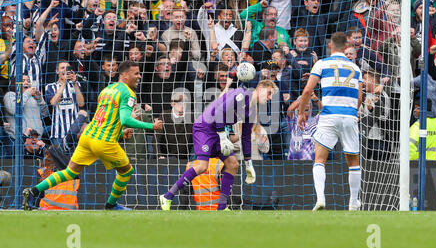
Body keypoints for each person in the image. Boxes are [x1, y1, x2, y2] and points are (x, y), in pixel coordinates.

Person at [23, 60, 164, 211]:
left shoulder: (107, 90)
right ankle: (111, 205)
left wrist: (121, 133)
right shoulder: (128, 93)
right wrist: (152, 126)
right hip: (103, 141)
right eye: (136, 73)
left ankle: (33, 191)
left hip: (88, 136)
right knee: (127, 171)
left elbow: (105, 119)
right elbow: (125, 119)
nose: (140, 76)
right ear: (124, 75)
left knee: (70, 172)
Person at [159, 79, 278, 211]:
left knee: (233, 164)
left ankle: (221, 207)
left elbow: (245, 137)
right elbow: (219, 111)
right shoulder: (241, 94)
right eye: (269, 93)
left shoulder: (252, 111)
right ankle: (167, 196)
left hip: (217, 132)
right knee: (202, 167)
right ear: (260, 88)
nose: (270, 98)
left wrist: (249, 163)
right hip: (204, 128)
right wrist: (223, 137)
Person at [296, 32, 363, 211]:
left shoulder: (322, 63)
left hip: (328, 116)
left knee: (319, 159)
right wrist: (351, 112)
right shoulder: (356, 68)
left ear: (331, 46)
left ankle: (320, 198)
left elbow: (307, 90)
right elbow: (360, 97)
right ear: (346, 46)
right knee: (353, 161)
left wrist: (302, 113)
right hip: (349, 116)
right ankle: (353, 203)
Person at [45, 61, 85, 147]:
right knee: (60, 160)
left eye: (67, 68)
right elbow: (53, 102)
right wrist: (63, 84)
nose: (65, 70)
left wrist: (74, 83)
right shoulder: (50, 86)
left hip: (75, 133)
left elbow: (81, 104)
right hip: (58, 134)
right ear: (57, 71)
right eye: (62, 68)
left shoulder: (76, 84)